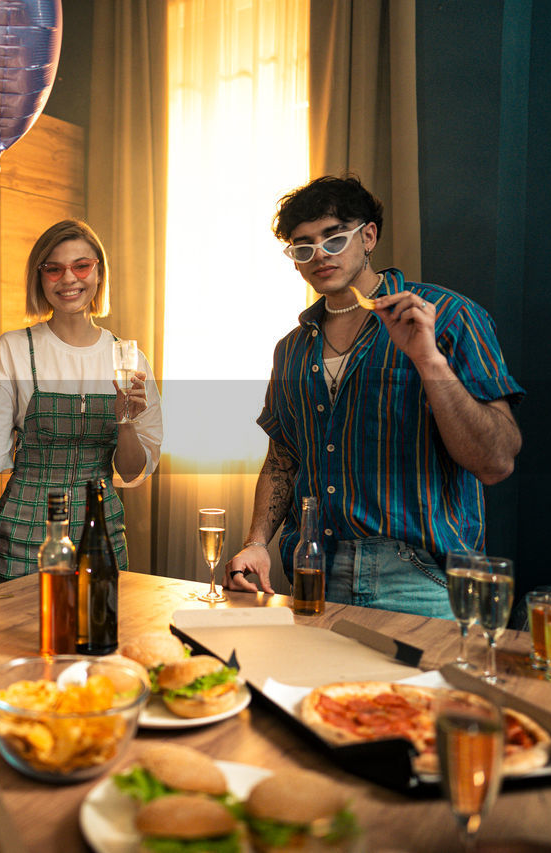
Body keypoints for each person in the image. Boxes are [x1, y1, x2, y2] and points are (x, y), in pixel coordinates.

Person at [223, 176, 523, 617]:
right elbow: (282, 457)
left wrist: (429, 362)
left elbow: (496, 461)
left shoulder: (448, 316)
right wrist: (255, 543)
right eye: (303, 246)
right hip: (313, 575)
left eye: (334, 237)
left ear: (368, 236)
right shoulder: (291, 347)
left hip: (423, 581)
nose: (320, 254)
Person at [0, 219, 163, 584]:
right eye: (54, 269)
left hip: (101, 532)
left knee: (99, 635)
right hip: (23, 536)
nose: (69, 279)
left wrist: (126, 420)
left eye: (81, 266)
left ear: (98, 272)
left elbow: (132, 470)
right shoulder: (12, 349)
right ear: (39, 278)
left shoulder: (129, 359)